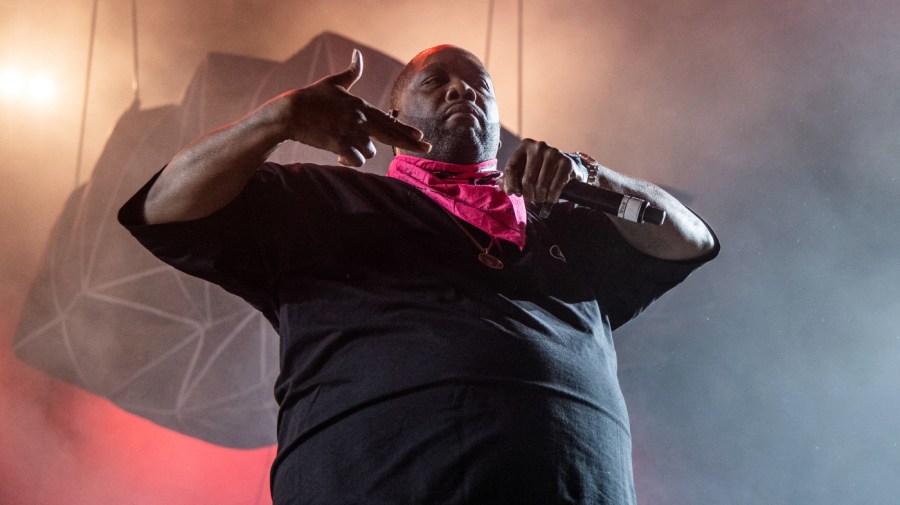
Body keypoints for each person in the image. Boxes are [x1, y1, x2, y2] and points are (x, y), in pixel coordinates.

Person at [119, 44, 718, 505]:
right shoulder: (323, 202)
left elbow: (688, 240)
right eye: (438, 81)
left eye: (479, 84)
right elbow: (165, 207)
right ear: (395, 114)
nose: (464, 88)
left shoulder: (563, 224)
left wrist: (591, 178)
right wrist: (278, 120)